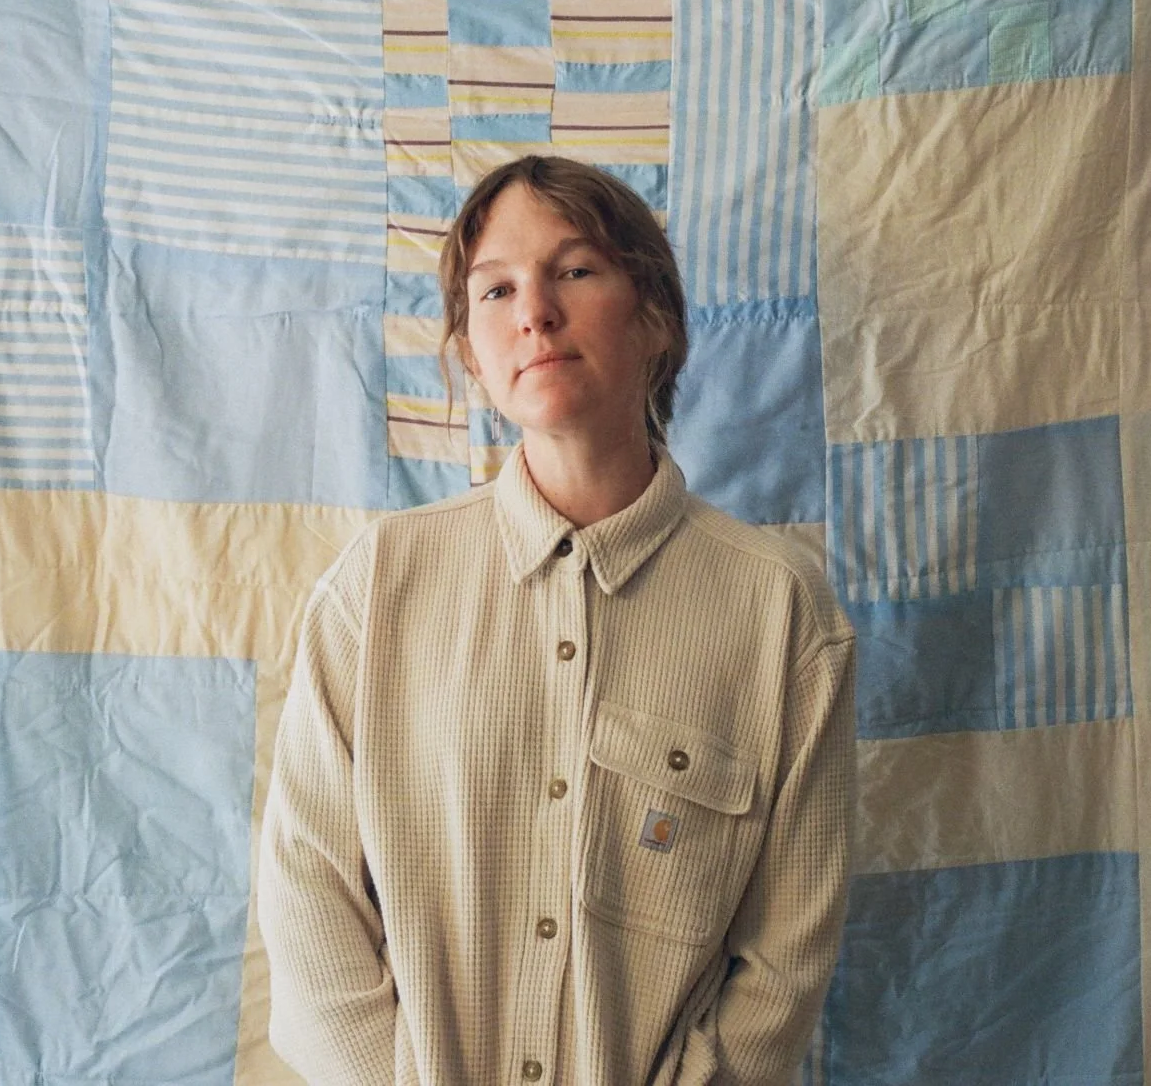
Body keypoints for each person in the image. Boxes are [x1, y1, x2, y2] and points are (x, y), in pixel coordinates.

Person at [258, 155, 857, 1084]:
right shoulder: (377, 589)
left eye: (574, 271)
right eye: (495, 289)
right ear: (469, 351)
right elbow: (306, 894)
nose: (534, 310)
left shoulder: (780, 615)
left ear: (655, 314)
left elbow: (787, 955)